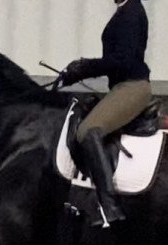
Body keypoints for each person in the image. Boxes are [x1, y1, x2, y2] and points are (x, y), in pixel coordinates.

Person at [59, 0, 152, 227]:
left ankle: (109, 207)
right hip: (121, 87)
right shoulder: (125, 11)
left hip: (133, 87)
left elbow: (124, 60)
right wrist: (78, 74)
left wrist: (86, 67)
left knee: (88, 130)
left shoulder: (131, 12)